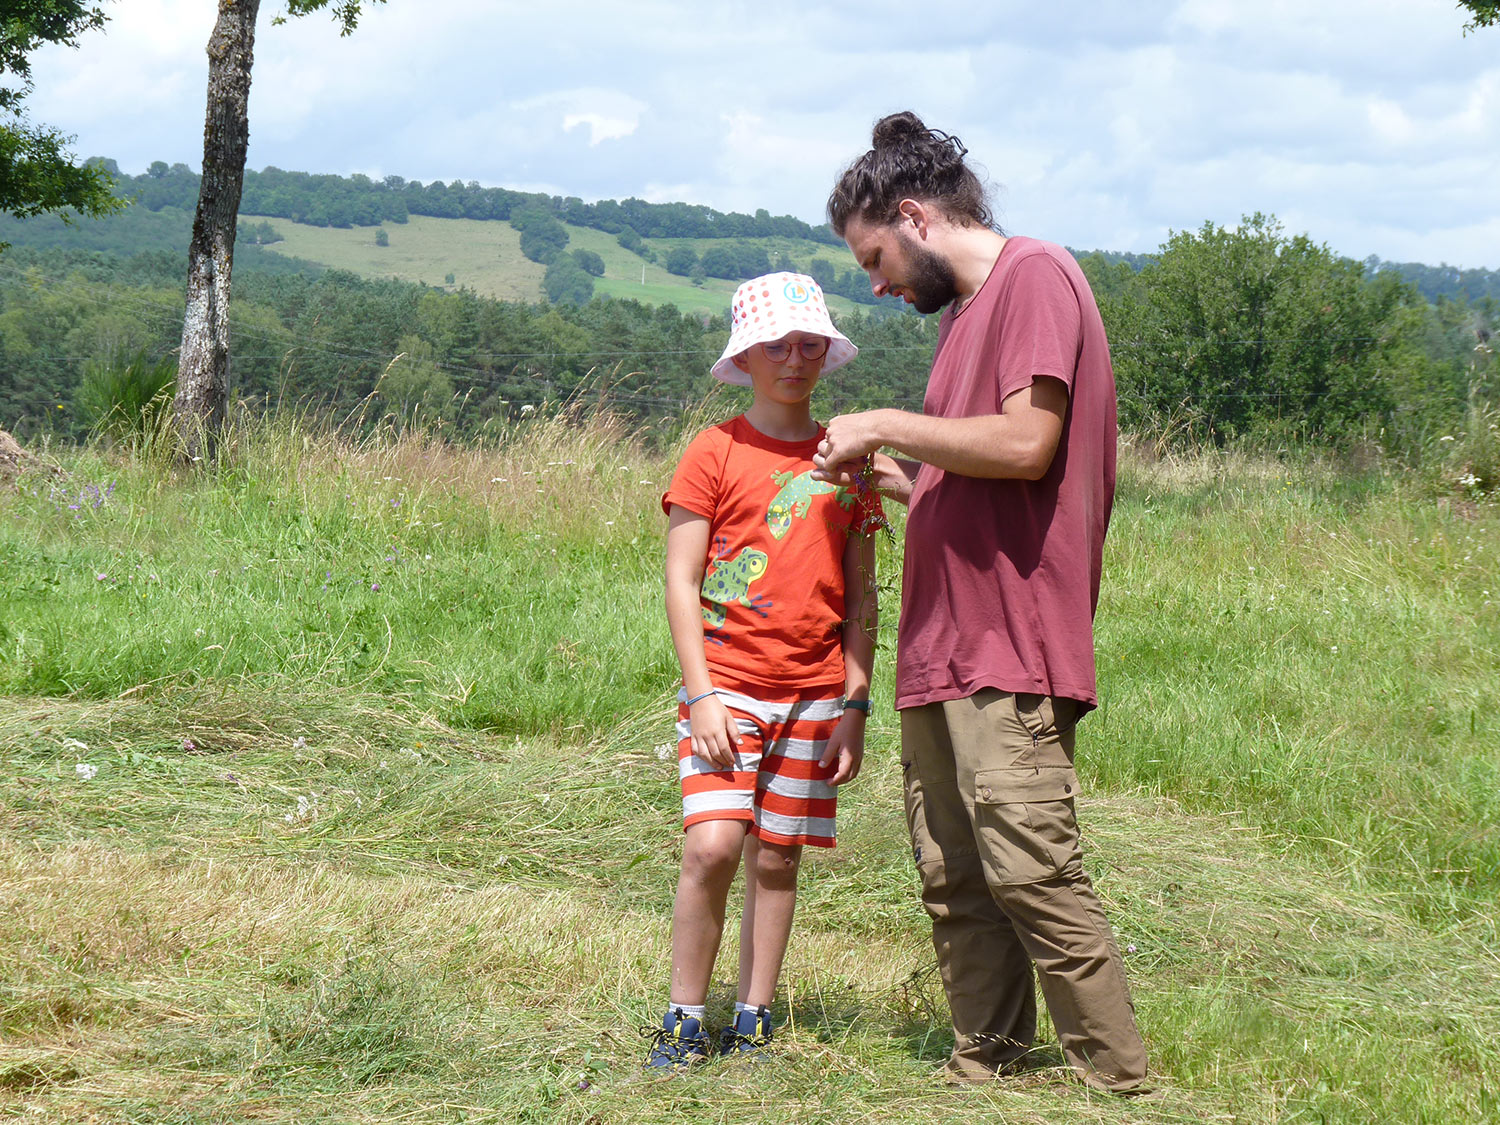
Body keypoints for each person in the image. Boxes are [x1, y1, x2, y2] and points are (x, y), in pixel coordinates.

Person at [811, 112, 1149, 1094]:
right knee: (956, 880)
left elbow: (1024, 446)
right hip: (941, 650)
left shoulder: (1035, 276)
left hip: (1014, 642)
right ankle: (986, 1066)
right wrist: (885, 474)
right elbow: (961, 486)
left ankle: (1117, 1085)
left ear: (913, 216)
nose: (873, 284)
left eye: (873, 257)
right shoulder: (964, 323)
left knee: (1033, 871)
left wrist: (881, 418)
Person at [645, 272, 883, 1070]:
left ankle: (754, 1014)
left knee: (777, 855)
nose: (794, 359)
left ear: (827, 352)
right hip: (726, 690)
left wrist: (856, 704)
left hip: (816, 693)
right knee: (713, 845)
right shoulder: (713, 450)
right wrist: (702, 693)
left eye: (809, 343)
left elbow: (862, 594)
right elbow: (680, 579)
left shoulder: (848, 461)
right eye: (777, 345)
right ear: (744, 357)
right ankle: (684, 1014)